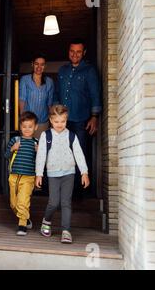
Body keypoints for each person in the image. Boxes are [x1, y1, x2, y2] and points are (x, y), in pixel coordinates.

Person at [35, 105, 90, 244]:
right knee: (53, 202)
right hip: (53, 174)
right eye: (57, 121)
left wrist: (84, 172)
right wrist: (39, 174)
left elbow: (79, 154)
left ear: (66, 120)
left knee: (66, 202)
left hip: (69, 173)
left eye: (63, 121)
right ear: (51, 120)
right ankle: (46, 221)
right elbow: (41, 155)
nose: (60, 125)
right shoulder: (46, 135)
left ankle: (66, 231)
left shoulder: (71, 136)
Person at [54, 38, 101, 196]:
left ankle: (79, 192)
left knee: (78, 155)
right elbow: (56, 94)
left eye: (78, 52)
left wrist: (94, 116)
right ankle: (63, 191)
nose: (75, 54)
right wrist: (54, 114)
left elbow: (95, 94)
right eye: (72, 51)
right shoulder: (62, 70)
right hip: (62, 122)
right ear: (68, 51)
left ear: (84, 53)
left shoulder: (89, 70)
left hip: (81, 120)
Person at [5, 112, 39, 236]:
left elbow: (42, 162)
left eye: (30, 126)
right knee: (13, 204)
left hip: (28, 178)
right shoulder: (15, 140)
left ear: (35, 127)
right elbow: (6, 156)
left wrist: (39, 152)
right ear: (20, 127)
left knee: (22, 202)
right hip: (13, 177)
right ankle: (26, 217)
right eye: (24, 126)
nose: (27, 129)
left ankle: (22, 224)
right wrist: (12, 149)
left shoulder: (36, 143)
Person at [19, 53, 54, 139]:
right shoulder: (25, 80)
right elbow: (22, 100)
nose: (39, 67)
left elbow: (49, 103)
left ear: (45, 66)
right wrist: (22, 119)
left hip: (43, 122)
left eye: (42, 64)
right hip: (28, 122)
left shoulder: (49, 82)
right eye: (36, 64)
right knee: (28, 148)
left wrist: (52, 121)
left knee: (40, 149)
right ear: (32, 64)